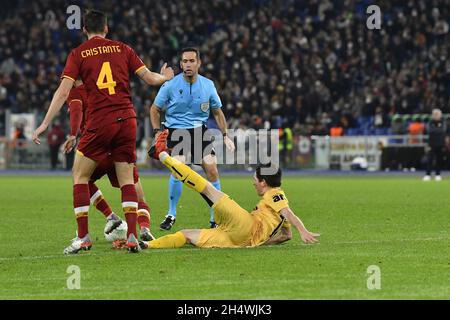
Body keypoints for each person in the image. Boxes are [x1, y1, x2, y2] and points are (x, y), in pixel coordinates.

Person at [32, 9, 174, 253]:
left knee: (80, 176)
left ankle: (83, 237)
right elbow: (150, 79)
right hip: (128, 120)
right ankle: (131, 236)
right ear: (106, 28)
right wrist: (165, 77)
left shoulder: (78, 54)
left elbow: (64, 92)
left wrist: (45, 123)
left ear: (85, 29)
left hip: (100, 121)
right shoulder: (123, 48)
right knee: (127, 178)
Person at [138, 131, 319, 249]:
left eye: (255, 179)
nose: (253, 183)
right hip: (240, 241)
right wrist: (259, 242)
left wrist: (302, 230)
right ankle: (147, 245)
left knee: (207, 188)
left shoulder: (276, 194)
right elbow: (286, 236)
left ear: (264, 182)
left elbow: (288, 213)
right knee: (186, 235)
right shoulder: (275, 207)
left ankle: (162, 154)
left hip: (245, 225)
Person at [150, 47, 235, 231]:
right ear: (181, 64)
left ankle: (215, 217)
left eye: (191, 61)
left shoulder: (208, 85)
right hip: (176, 130)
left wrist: (226, 135)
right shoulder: (170, 85)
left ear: (198, 63)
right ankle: (171, 214)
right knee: (179, 167)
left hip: (199, 131)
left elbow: (217, 112)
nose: (188, 65)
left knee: (212, 169)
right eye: (185, 61)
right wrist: (157, 132)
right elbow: (154, 109)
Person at [62, 82, 154, 242]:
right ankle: (143, 228)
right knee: (136, 192)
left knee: (81, 179)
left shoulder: (76, 92)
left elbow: (76, 110)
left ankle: (109, 217)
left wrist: (72, 134)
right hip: (119, 142)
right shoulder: (107, 86)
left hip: (96, 147)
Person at [423, 108, 448, 181]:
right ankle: (428, 175)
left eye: (437, 114)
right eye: (435, 114)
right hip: (431, 144)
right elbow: (430, 131)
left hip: (441, 144)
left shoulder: (443, 123)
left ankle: (438, 174)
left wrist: (436, 130)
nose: (436, 115)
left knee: (439, 160)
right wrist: (437, 130)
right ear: (432, 115)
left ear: (440, 115)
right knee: (429, 160)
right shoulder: (429, 122)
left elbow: (442, 131)